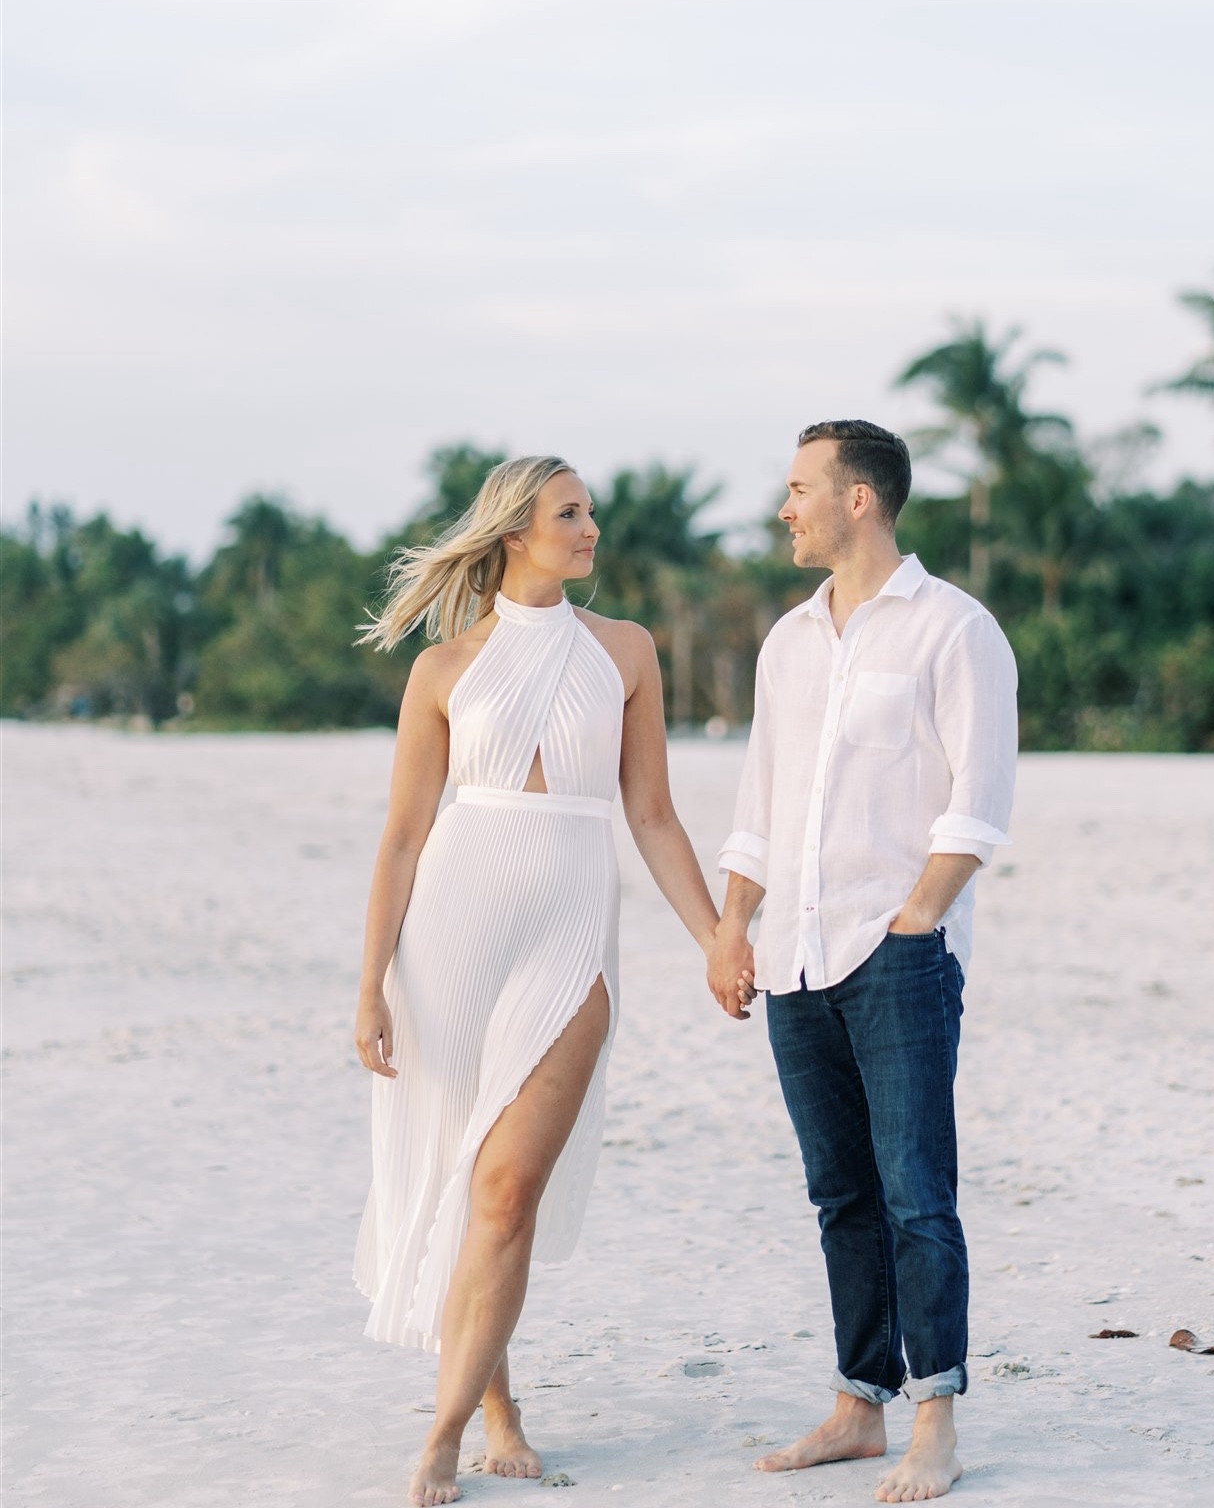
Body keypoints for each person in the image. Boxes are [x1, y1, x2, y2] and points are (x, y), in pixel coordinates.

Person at [352, 455, 721, 1507]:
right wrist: (369, 986)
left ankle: (443, 1430)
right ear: (514, 531)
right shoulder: (445, 670)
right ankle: (496, 1405)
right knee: (469, 1184)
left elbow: (649, 815)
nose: (591, 527)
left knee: (508, 1188)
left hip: (569, 936)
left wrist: (709, 938)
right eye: (570, 512)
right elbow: (401, 840)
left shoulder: (625, 652)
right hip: (451, 942)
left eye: (590, 512)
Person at [706, 420, 1017, 1503]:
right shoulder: (789, 641)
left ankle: (933, 1417)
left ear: (857, 500)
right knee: (839, 1193)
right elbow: (760, 800)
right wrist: (729, 925)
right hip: (790, 955)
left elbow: (975, 807)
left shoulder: (952, 630)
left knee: (915, 1192)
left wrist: (914, 920)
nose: (782, 506)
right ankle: (856, 1405)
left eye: (797, 487)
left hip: (895, 953)